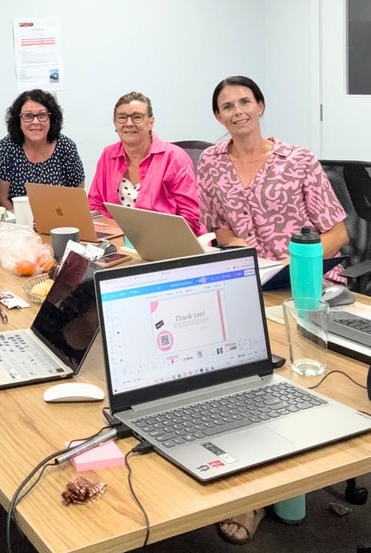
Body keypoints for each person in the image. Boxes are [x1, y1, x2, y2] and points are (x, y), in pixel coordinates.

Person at [197, 75, 348, 545]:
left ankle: (264, 493)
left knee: (278, 371)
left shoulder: (298, 160)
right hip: (245, 282)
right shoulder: (210, 162)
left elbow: (338, 235)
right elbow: (214, 227)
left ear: (260, 106)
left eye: (245, 101)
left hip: (302, 284)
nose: (237, 110)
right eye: (227, 105)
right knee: (230, 371)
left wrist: (292, 262)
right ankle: (252, 480)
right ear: (218, 116)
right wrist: (234, 243)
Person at [87, 91, 204, 235]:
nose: (128, 123)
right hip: (121, 241)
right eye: (122, 117)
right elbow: (95, 205)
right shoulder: (108, 155)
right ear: (115, 123)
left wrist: (148, 239)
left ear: (151, 122)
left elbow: (189, 217)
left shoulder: (174, 158)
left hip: (170, 240)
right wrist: (122, 236)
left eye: (137, 117)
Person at [0, 89, 85, 209]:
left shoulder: (66, 146)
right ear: (18, 120)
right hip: (17, 222)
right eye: (28, 116)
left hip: (59, 221)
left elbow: (77, 196)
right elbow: (0, 199)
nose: (35, 122)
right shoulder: (7, 147)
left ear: (52, 119)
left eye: (42, 115)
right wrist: (24, 223)